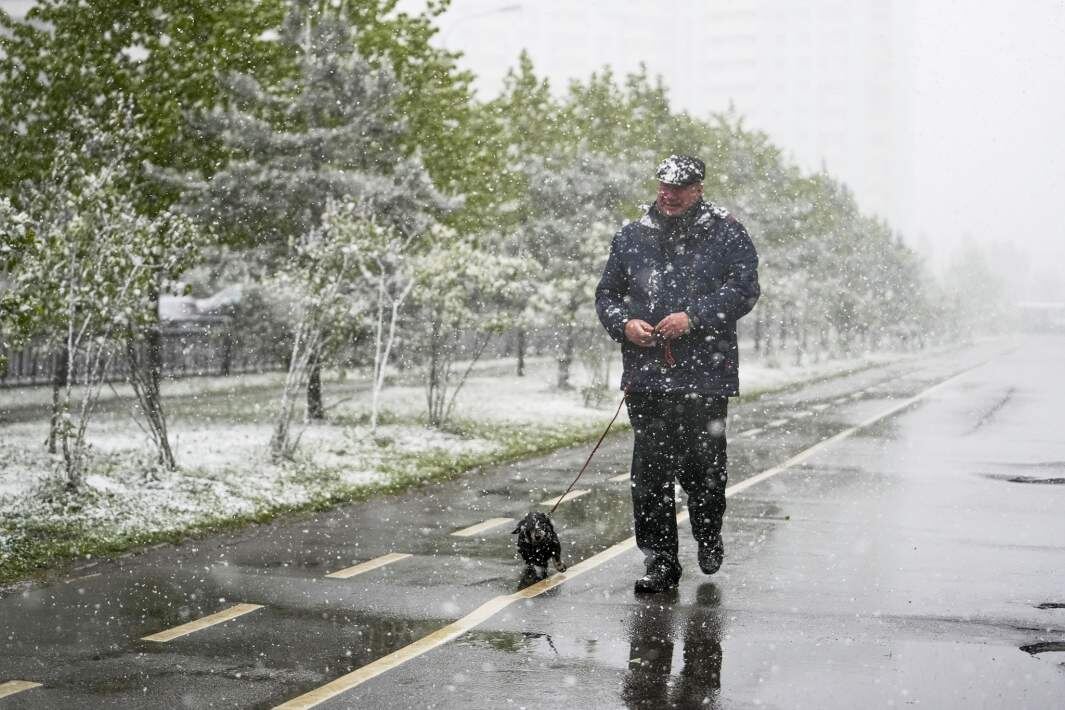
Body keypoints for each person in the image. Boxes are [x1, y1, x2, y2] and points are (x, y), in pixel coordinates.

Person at [595, 154, 760, 593]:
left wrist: (694, 317)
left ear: (699, 188)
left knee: (702, 467)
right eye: (664, 187)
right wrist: (624, 324)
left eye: (680, 188)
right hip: (648, 376)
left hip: (705, 374)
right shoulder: (631, 236)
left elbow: (745, 290)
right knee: (650, 472)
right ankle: (661, 562)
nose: (669, 195)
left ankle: (707, 532)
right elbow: (607, 295)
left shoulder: (727, 232)